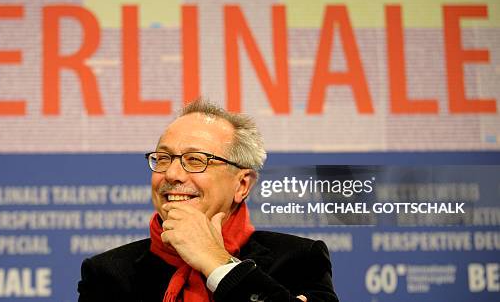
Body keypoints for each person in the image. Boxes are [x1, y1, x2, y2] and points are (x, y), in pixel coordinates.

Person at [78, 99, 338, 302]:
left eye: (195, 160)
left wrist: (217, 263)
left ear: (242, 184)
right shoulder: (107, 274)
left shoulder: (298, 260)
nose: (172, 174)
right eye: (164, 158)